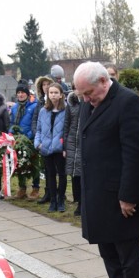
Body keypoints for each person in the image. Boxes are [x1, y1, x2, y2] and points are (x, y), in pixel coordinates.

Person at [74, 61, 139, 278]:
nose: (85, 99)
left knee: (127, 253)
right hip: (96, 193)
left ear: (104, 81)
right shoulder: (89, 101)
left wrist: (128, 196)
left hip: (120, 196)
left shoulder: (128, 103)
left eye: (88, 92)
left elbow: (135, 154)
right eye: (82, 94)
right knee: (108, 250)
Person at [34, 82, 67, 212]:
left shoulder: (66, 110)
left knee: (62, 175)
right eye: (51, 93)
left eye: (56, 93)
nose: (53, 95)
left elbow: (68, 129)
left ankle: (61, 201)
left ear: (61, 95)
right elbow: (39, 129)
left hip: (59, 148)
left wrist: (64, 146)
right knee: (50, 175)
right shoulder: (43, 111)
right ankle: (53, 201)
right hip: (46, 148)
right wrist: (38, 144)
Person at [10, 80, 39, 199]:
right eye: (19, 93)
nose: (20, 95)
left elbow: (35, 123)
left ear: (27, 94)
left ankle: (36, 188)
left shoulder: (34, 106)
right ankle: (22, 188)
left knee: (33, 164)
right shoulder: (15, 107)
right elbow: (12, 122)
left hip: (29, 139)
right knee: (20, 164)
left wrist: (27, 136)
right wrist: (11, 135)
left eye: (23, 92)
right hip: (17, 140)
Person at [31, 75, 54, 204]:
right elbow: (35, 121)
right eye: (43, 85)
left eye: (48, 84)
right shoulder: (39, 103)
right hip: (43, 140)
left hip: (54, 139)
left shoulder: (56, 101)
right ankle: (47, 192)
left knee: (54, 169)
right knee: (45, 168)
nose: (46, 87)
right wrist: (37, 135)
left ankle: (55, 193)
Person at [64, 86, 82, 216]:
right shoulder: (71, 104)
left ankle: (82, 203)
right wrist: (65, 145)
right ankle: (77, 199)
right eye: (76, 88)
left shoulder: (89, 103)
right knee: (74, 174)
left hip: (84, 142)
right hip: (72, 141)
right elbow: (66, 124)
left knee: (82, 174)